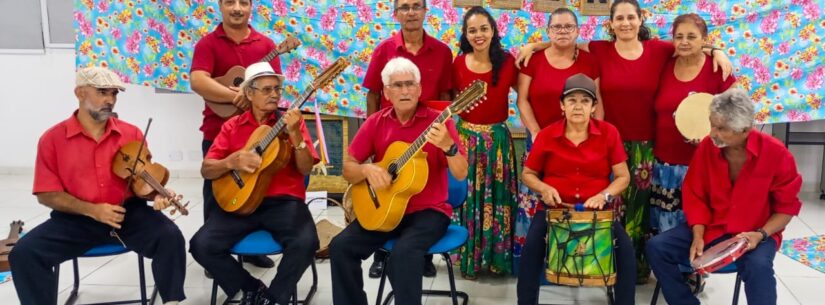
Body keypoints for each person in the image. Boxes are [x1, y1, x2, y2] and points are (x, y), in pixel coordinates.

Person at [517, 0, 733, 282]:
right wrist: (533, 46)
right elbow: (565, 40)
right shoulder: (600, 49)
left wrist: (716, 50)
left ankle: (638, 270)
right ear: (611, 23)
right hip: (608, 144)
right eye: (620, 18)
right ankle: (605, 263)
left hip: (647, 147)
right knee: (610, 208)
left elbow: (689, 43)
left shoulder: (658, 50)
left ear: (640, 19)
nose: (626, 23)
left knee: (642, 212)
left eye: (631, 17)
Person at [10, 67, 186, 305]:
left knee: (170, 237)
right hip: (76, 218)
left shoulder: (130, 133)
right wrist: (92, 210)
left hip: (127, 213)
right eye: (103, 92)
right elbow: (46, 194)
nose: (110, 100)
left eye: (114, 94)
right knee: (24, 254)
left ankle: (172, 301)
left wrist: (158, 196)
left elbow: (142, 183)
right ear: (80, 93)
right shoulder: (52, 139)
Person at [330, 57, 468, 305]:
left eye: (410, 84)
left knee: (403, 256)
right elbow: (348, 168)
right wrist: (367, 170)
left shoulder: (440, 122)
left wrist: (448, 147)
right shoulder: (376, 122)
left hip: (429, 212)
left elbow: (461, 174)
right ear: (386, 92)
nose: (405, 90)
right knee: (340, 246)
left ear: (420, 89)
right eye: (397, 85)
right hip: (385, 210)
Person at [646, 88, 802, 305]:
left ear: (745, 129)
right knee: (656, 247)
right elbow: (695, 195)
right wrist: (698, 234)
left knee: (758, 267)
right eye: (712, 124)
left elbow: (786, 209)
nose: (712, 133)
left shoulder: (777, 154)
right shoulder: (706, 148)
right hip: (712, 226)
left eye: (721, 128)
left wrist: (760, 234)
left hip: (755, 233)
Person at [190, 62, 320, 305]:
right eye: (267, 89)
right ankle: (250, 289)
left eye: (277, 89)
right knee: (201, 245)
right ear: (249, 93)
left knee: (307, 242)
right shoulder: (231, 126)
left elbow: (305, 168)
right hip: (240, 202)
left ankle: (273, 299)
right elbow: (207, 169)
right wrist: (232, 161)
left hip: (283, 202)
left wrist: (296, 136)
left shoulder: (290, 122)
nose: (274, 95)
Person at [190, 0, 300, 270]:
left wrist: (252, 99)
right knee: (215, 193)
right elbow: (198, 81)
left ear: (251, 7)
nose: (237, 8)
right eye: (230, 2)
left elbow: (271, 87)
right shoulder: (208, 43)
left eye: (243, 2)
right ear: (220, 6)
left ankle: (250, 252)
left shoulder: (265, 45)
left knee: (256, 188)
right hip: (219, 132)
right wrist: (236, 96)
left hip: (259, 133)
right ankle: (215, 254)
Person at [517, 73, 635, 305]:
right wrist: (544, 188)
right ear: (562, 105)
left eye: (585, 100)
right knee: (530, 252)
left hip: (597, 212)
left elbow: (623, 177)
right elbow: (528, 174)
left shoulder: (609, 133)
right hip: (554, 210)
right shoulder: (547, 135)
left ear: (593, 107)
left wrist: (605, 195)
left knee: (626, 254)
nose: (578, 106)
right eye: (572, 100)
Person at [362, 0, 452, 278]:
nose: (411, 12)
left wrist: (447, 132)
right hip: (390, 134)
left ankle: (423, 255)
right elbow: (373, 94)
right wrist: (371, 135)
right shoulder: (384, 50)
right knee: (388, 190)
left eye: (416, 6)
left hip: (427, 135)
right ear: (396, 13)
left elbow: (448, 95)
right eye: (405, 7)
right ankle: (381, 255)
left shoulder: (442, 51)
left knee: (423, 190)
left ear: (426, 11)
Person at [513, 7, 599, 271]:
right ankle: (531, 264)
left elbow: (598, 104)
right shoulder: (534, 60)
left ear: (577, 30)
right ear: (548, 31)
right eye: (557, 27)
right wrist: (537, 133)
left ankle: (569, 262)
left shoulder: (588, 60)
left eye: (568, 27)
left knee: (568, 199)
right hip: (540, 142)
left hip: (577, 145)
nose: (562, 32)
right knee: (536, 203)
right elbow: (522, 100)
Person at [650, 13, 738, 235]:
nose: (685, 42)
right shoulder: (663, 64)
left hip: (700, 164)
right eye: (679, 37)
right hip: (664, 165)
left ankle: (693, 267)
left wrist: (714, 135)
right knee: (665, 224)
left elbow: (736, 112)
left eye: (691, 36)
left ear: (704, 39)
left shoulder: (716, 68)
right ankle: (667, 267)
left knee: (695, 221)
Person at [451, 6, 519, 278]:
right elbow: (451, 105)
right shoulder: (457, 64)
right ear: (466, 35)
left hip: (498, 144)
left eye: (484, 28)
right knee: (469, 201)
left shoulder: (508, 61)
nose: (478, 34)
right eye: (472, 30)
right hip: (466, 141)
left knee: (498, 201)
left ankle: (497, 260)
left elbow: (525, 97)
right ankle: (470, 260)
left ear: (493, 31)